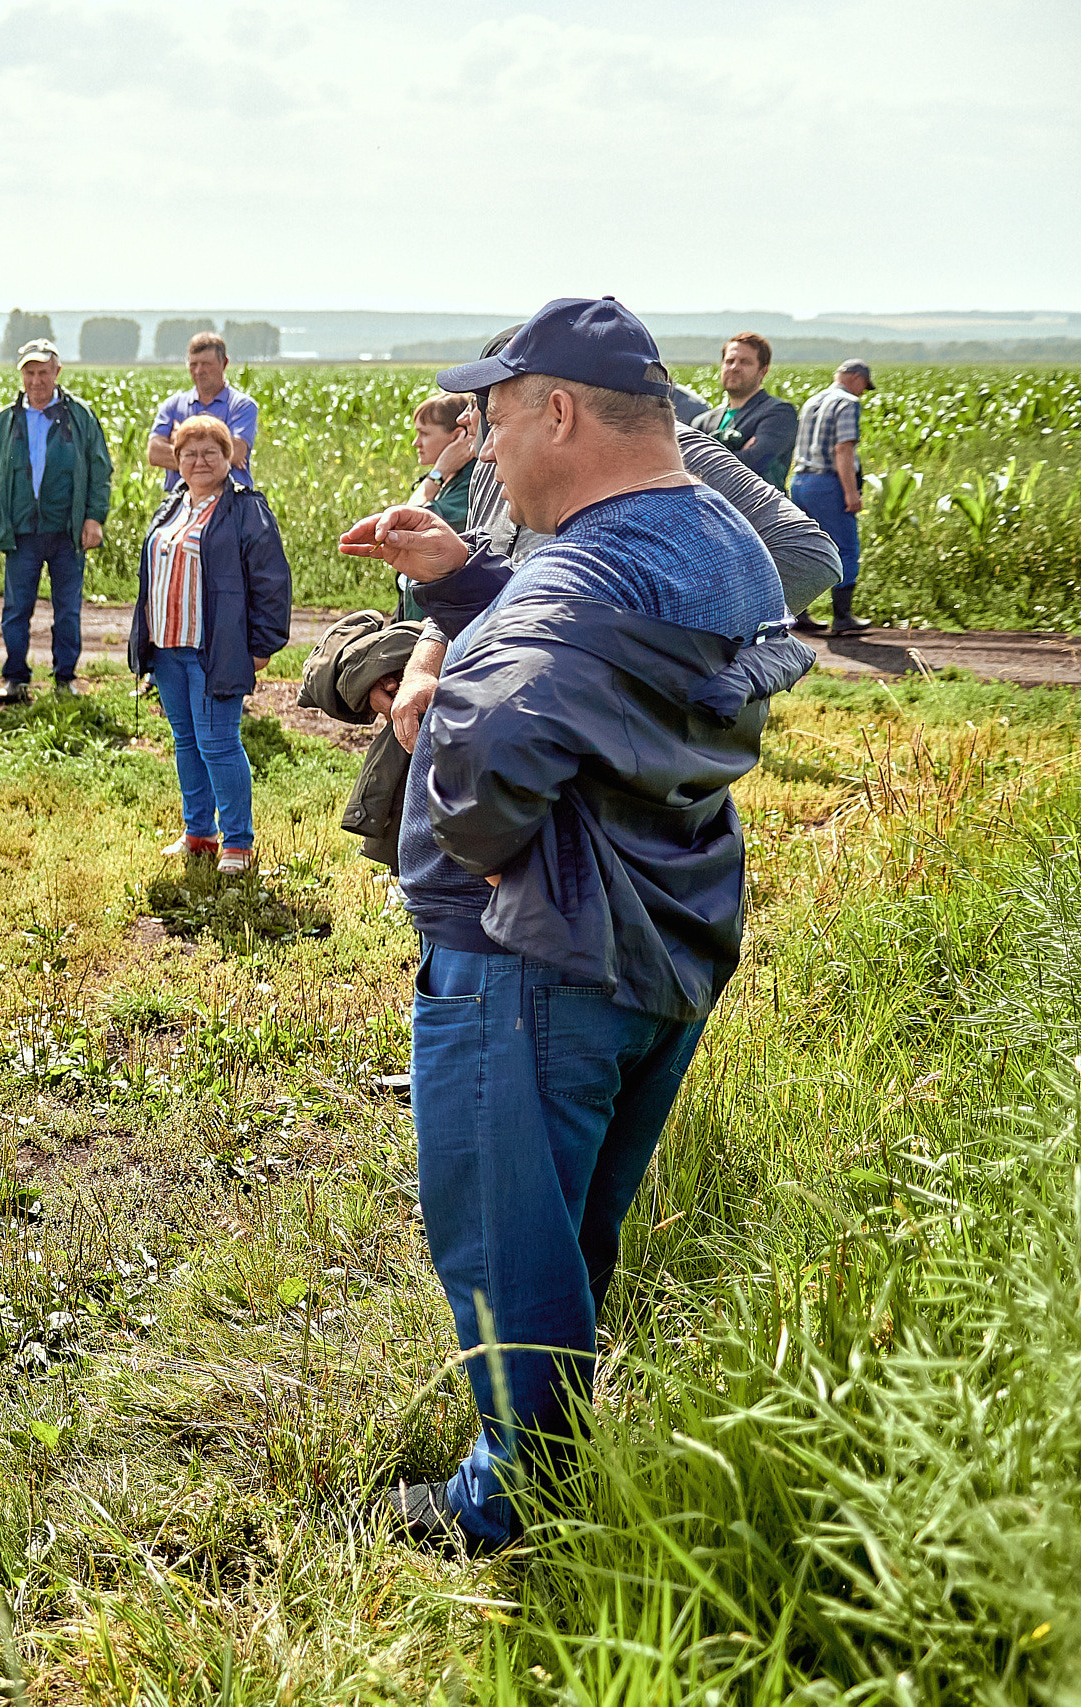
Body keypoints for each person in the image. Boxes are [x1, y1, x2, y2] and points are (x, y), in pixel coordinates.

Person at [337, 296, 817, 1555]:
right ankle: (548, 1453)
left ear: (557, 411)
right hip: (657, 930)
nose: (484, 447)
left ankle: (514, 1504)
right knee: (567, 1228)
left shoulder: (588, 563)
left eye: (494, 419)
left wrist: (423, 707)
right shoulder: (720, 538)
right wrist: (468, 584)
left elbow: (494, 750)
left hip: (530, 952)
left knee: (503, 1232)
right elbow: (613, 668)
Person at [380, 325, 838, 757]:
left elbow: (809, 555)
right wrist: (424, 667)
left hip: (602, 735)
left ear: (556, 409)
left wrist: (675, 654)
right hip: (494, 710)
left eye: (486, 403)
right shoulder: (491, 461)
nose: (468, 419)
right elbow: (481, 568)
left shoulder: (671, 452)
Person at [125, 415, 291, 875]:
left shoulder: (245, 509)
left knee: (219, 743)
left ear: (229, 457)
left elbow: (272, 583)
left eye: (210, 452)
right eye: (189, 453)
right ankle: (199, 834)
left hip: (213, 651)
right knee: (186, 742)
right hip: (167, 649)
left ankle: (238, 842)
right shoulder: (172, 505)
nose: (199, 461)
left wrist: (262, 647)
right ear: (176, 460)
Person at [0, 339, 112, 704]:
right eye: (29, 372)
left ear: (57, 373)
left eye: (43, 372)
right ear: (21, 375)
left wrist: (93, 518)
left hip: (66, 532)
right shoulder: (7, 419)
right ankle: (15, 679)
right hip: (22, 531)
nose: (36, 380)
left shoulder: (79, 416)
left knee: (67, 609)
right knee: (16, 608)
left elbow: (100, 470)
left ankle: (64, 678)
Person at [789, 359, 875, 636]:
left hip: (801, 480)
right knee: (846, 547)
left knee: (806, 547)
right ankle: (843, 617)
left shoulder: (813, 401)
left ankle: (798, 612)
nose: (863, 391)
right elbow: (843, 450)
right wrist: (851, 493)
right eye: (864, 385)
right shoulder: (847, 402)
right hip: (828, 483)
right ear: (855, 378)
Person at [394, 393, 481, 621]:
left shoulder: (468, 484)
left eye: (424, 433)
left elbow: (407, 523)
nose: (416, 442)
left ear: (457, 437)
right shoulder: (454, 479)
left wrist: (438, 473)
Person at [147, 330, 259, 491]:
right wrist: (216, 456)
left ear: (224, 363)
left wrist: (180, 439)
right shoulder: (172, 405)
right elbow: (155, 453)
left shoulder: (242, 406)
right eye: (193, 364)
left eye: (206, 364)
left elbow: (236, 453)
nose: (199, 371)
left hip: (231, 503)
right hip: (181, 502)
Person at [694, 334, 797, 490]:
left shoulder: (779, 413)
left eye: (745, 362)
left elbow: (755, 462)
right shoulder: (703, 420)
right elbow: (683, 464)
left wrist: (701, 459)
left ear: (763, 371)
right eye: (729, 361)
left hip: (756, 510)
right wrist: (737, 453)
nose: (734, 367)